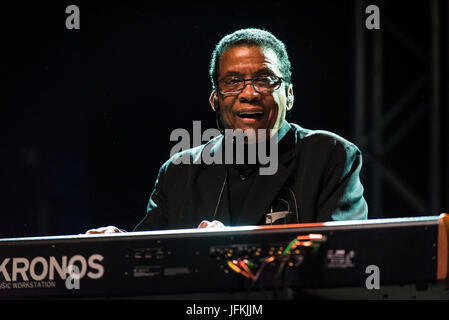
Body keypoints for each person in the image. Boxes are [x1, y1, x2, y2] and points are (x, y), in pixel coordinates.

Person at [87, 28, 368, 234]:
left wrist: (231, 248)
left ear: (290, 95)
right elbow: (150, 257)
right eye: (233, 82)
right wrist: (116, 248)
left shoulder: (331, 157)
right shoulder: (179, 171)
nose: (249, 93)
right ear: (215, 100)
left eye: (265, 79)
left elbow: (340, 256)